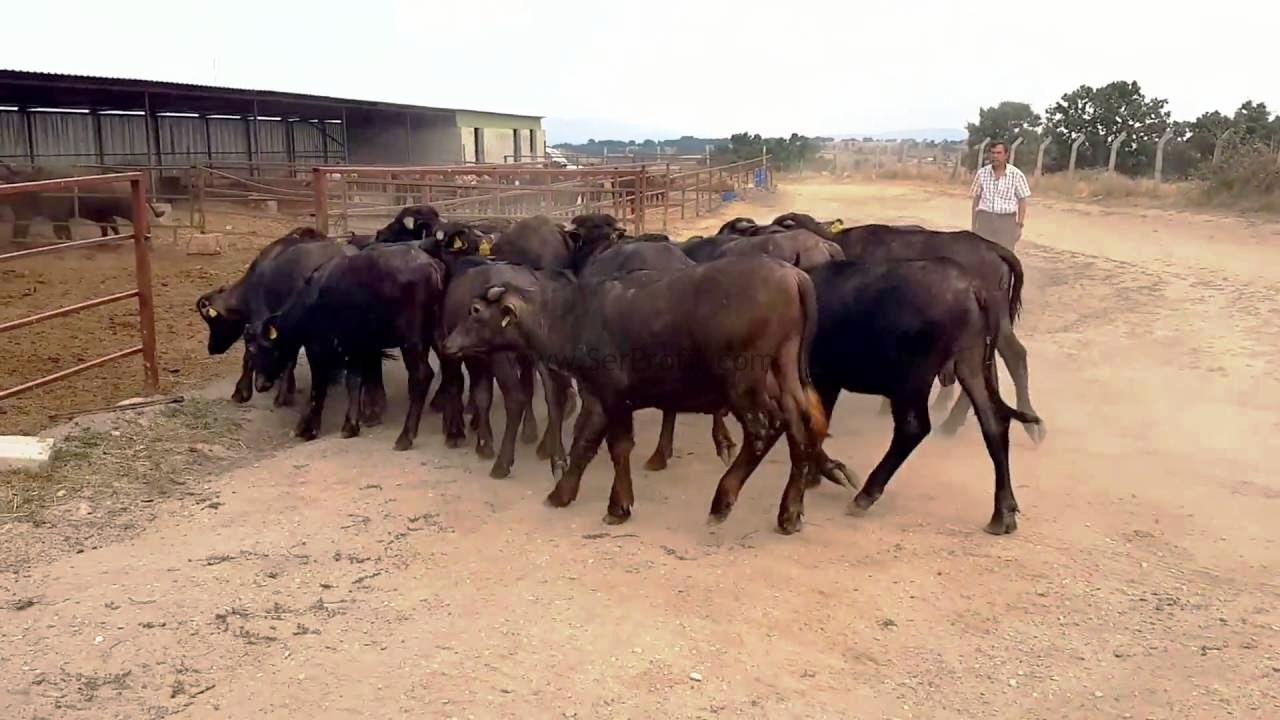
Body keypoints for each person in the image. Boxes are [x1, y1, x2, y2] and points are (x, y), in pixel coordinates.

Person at [969, 140, 1030, 250]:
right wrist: (974, 224)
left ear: (1006, 155)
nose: (995, 156)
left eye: (998, 153)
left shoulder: (1016, 175)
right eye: (992, 153)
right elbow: (976, 200)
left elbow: (1022, 201)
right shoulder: (982, 174)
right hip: (985, 220)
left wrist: (1019, 225)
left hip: (1006, 222)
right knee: (982, 254)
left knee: (1005, 255)